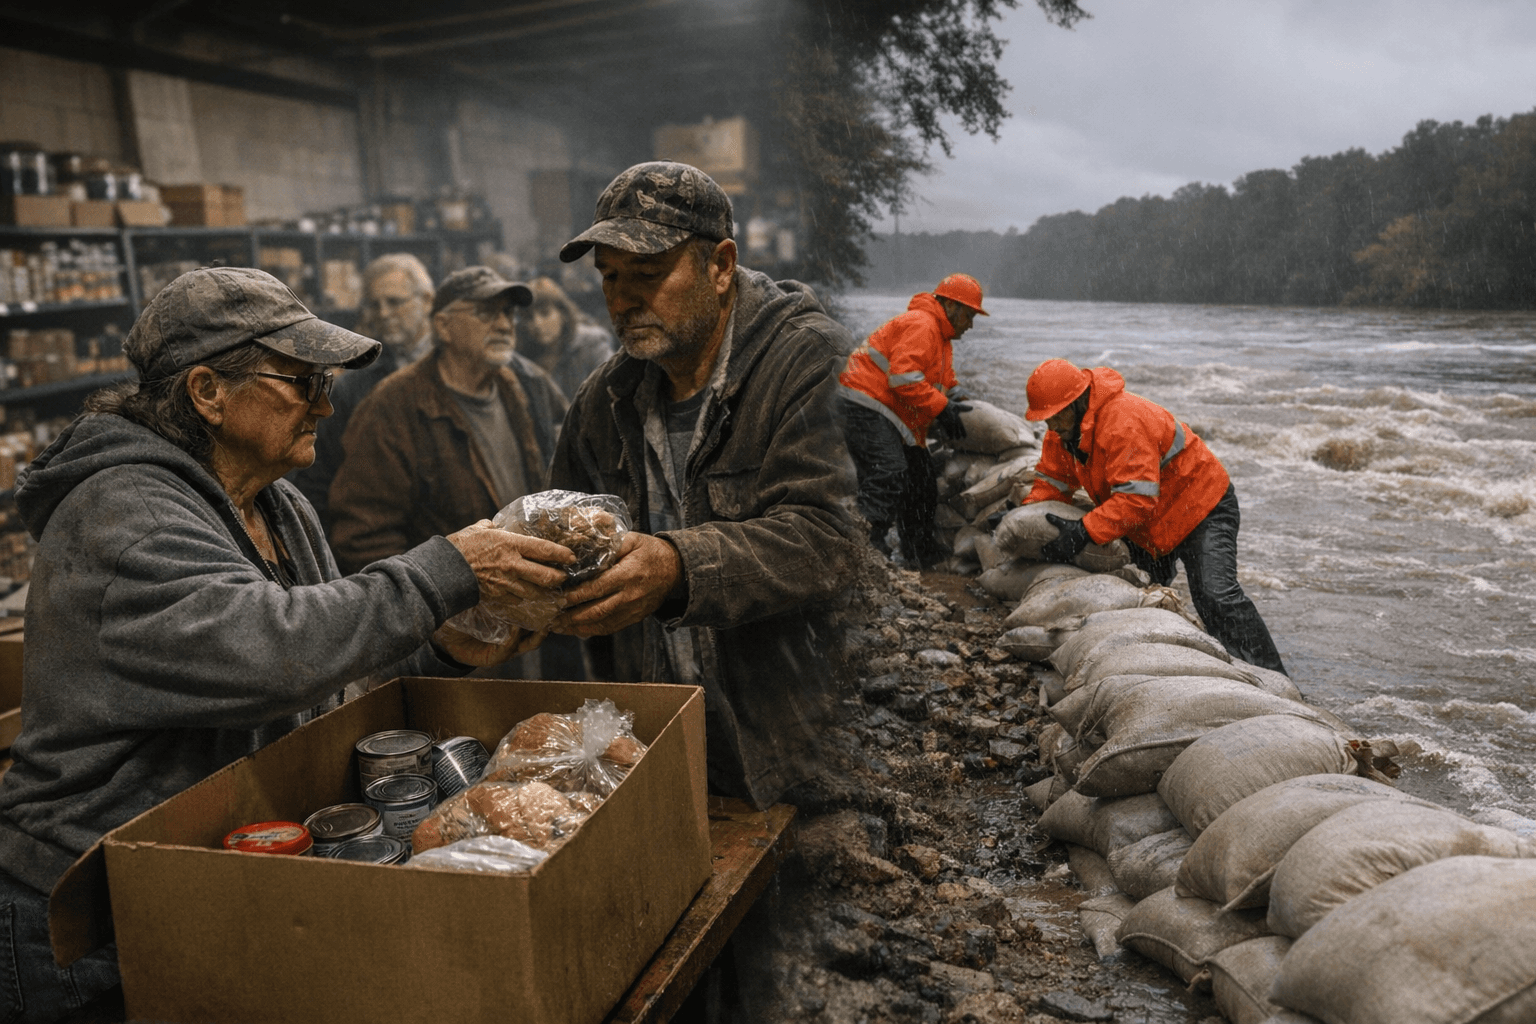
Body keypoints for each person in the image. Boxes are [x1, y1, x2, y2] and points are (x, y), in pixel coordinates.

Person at [0, 267, 572, 1024]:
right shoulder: (123, 512)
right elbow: (269, 655)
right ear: (207, 392)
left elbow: (331, 672)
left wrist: (450, 645)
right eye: (301, 383)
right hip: (87, 917)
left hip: (203, 880)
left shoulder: (277, 501)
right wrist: (446, 569)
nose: (327, 405)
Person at [547, 161, 862, 807]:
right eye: (609, 278)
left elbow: (834, 540)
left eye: (648, 274)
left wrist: (678, 566)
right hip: (658, 740)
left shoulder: (811, 363)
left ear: (720, 266)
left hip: (787, 746)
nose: (623, 299)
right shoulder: (604, 400)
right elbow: (563, 534)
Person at [326, 266, 581, 679]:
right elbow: (364, 535)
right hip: (455, 645)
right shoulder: (394, 406)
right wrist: (432, 627)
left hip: (534, 620)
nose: (503, 323)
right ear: (442, 326)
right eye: (485, 312)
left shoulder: (529, 386)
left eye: (508, 313)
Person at [1020, 357, 1288, 674]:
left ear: (1078, 401)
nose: (1051, 425)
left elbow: (1135, 499)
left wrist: (1084, 531)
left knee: (1215, 596)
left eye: (1057, 415)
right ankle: (1194, 665)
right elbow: (1052, 483)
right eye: (1046, 419)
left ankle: (1270, 675)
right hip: (1151, 522)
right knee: (1144, 594)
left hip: (1202, 508)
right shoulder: (1063, 432)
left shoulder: (1123, 422)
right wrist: (1025, 517)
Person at [838, 273, 986, 568]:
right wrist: (942, 408)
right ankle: (867, 544)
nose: (970, 325)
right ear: (951, 306)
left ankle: (919, 550)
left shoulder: (941, 337)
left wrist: (959, 398)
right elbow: (903, 379)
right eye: (969, 315)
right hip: (865, 404)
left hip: (891, 412)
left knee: (922, 481)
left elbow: (943, 380)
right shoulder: (922, 324)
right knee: (889, 471)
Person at [290, 252, 435, 526]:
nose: (383, 313)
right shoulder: (352, 390)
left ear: (427, 301)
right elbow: (319, 478)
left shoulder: (452, 369)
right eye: (374, 304)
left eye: (394, 302)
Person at [516, 276, 617, 401]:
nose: (537, 323)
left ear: (563, 314)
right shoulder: (523, 356)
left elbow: (612, 390)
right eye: (529, 318)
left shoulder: (592, 343)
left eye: (545, 313)